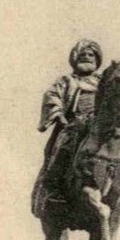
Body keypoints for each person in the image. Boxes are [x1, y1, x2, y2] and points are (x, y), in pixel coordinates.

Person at [31, 39, 103, 218]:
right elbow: (52, 96)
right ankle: (54, 192)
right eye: (83, 55)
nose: (87, 57)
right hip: (74, 125)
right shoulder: (67, 80)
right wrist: (59, 115)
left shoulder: (104, 81)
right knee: (62, 151)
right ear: (75, 58)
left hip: (100, 128)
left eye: (90, 55)